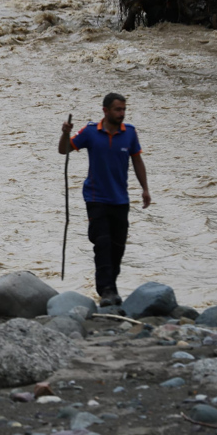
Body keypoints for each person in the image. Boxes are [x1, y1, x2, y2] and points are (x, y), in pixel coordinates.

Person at [59, 93, 151, 307]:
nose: (122, 113)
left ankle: (112, 287)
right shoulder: (91, 132)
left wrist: (145, 189)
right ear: (105, 110)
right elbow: (64, 150)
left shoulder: (130, 133)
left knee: (117, 247)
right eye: (118, 109)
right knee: (102, 243)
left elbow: (137, 160)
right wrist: (65, 134)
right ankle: (106, 290)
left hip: (121, 199)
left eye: (124, 109)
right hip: (96, 197)